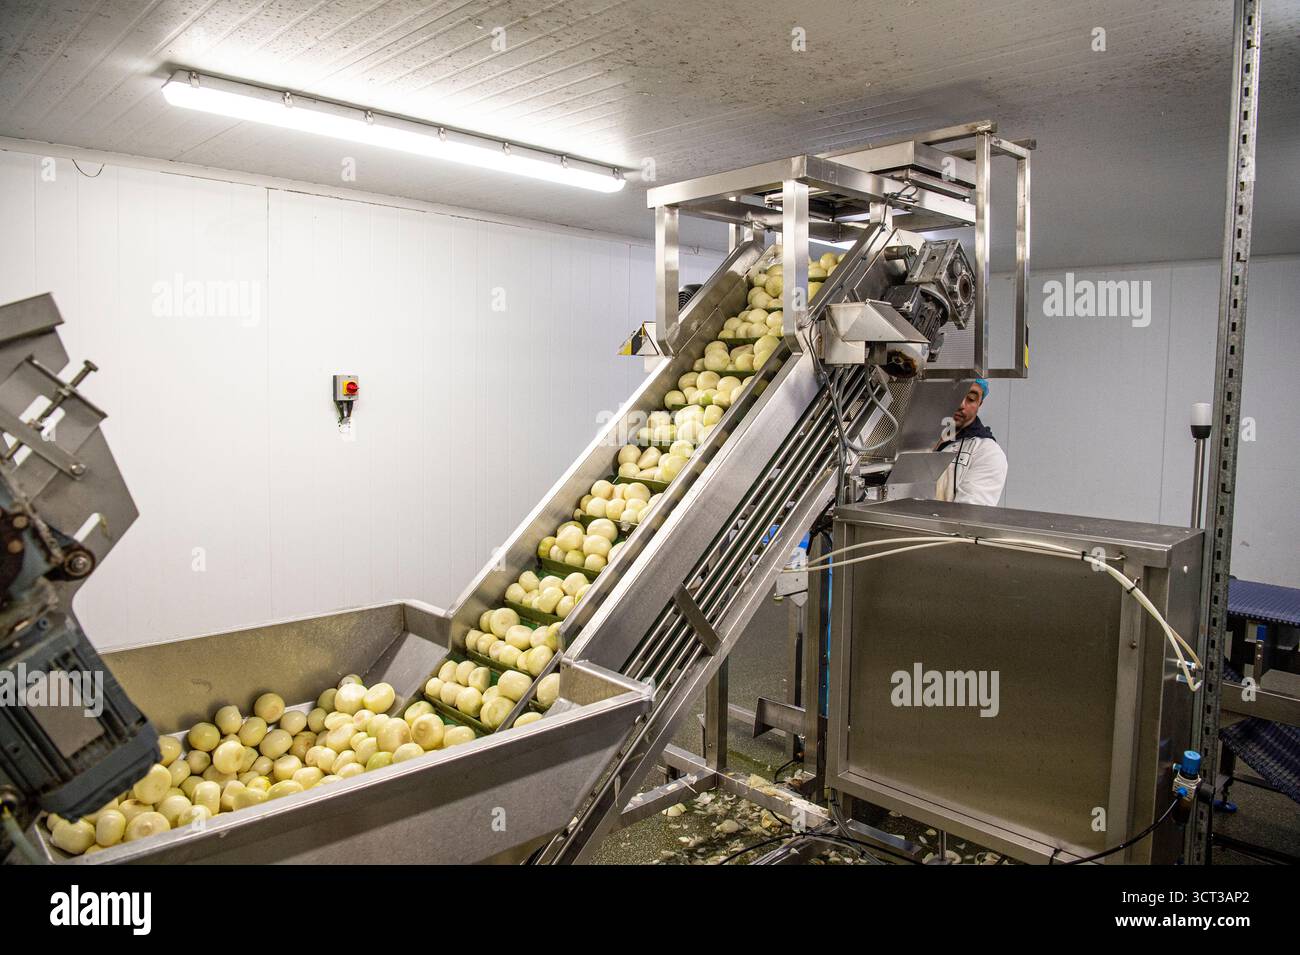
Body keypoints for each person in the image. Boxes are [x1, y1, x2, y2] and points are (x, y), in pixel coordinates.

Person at [934, 378, 1007, 506]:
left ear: (980, 404)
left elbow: (968, 515)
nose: (961, 404)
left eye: (971, 399)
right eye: (956, 395)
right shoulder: (919, 436)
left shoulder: (987, 452)